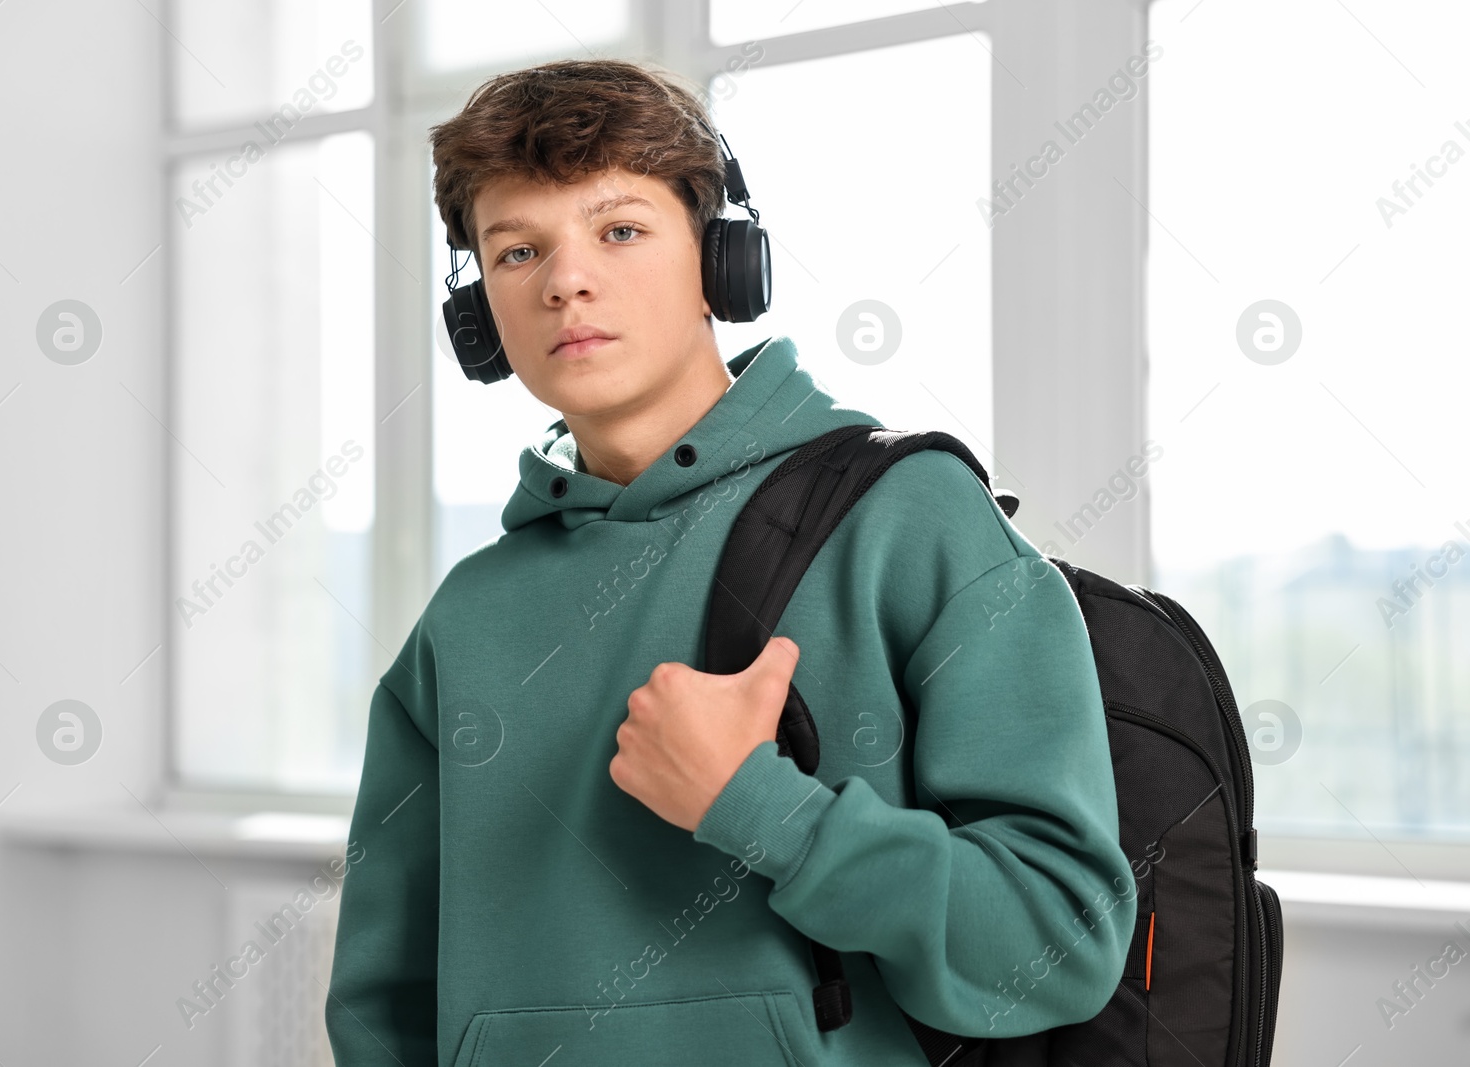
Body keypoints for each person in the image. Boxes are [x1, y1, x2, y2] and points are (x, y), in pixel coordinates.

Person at [325, 57, 1134, 1067]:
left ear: (719, 262)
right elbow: (381, 1008)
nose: (566, 279)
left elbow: (1057, 944)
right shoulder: (466, 617)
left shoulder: (909, 519)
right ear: (479, 313)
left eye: (619, 230)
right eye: (518, 249)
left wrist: (760, 807)